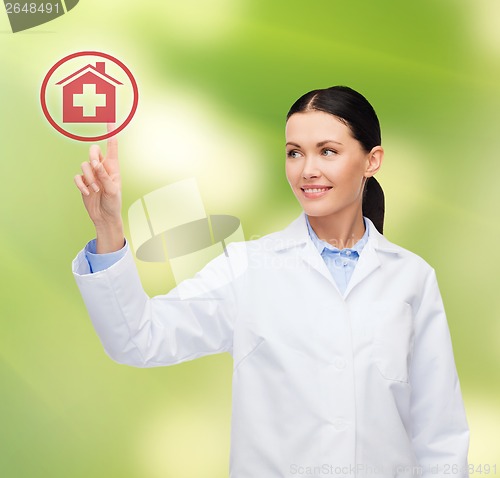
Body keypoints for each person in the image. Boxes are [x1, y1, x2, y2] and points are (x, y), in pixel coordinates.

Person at [72, 86, 470, 477]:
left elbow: (440, 434)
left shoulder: (411, 278)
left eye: (327, 151)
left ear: (372, 160)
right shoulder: (248, 268)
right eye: (294, 153)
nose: (307, 169)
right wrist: (108, 225)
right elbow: (138, 339)